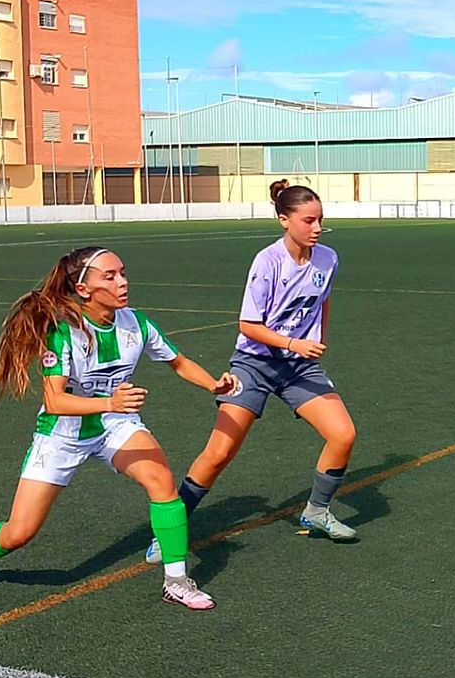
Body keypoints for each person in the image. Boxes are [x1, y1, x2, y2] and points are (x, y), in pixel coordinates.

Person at [0, 246, 237, 610]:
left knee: (161, 481)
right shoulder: (63, 333)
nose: (123, 282)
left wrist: (213, 384)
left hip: (116, 425)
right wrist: (110, 402)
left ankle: (176, 581)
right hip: (62, 435)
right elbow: (55, 402)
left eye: (123, 273)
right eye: (110, 276)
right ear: (84, 289)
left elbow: (178, 362)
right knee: (19, 532)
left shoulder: (137, 323)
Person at [146, 181, 360, 564]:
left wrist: (317, 339)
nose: (316, 228)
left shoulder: (328, 258)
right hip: (255, 363)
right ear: (284, 220)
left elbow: (324, 299)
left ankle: (316, 511)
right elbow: (248, 324)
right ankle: (171, 529)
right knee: (220, 451)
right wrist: (294, 343)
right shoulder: (267, 262)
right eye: (308, 220)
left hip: (297, 367)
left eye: (320, 220)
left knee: (343, 434)